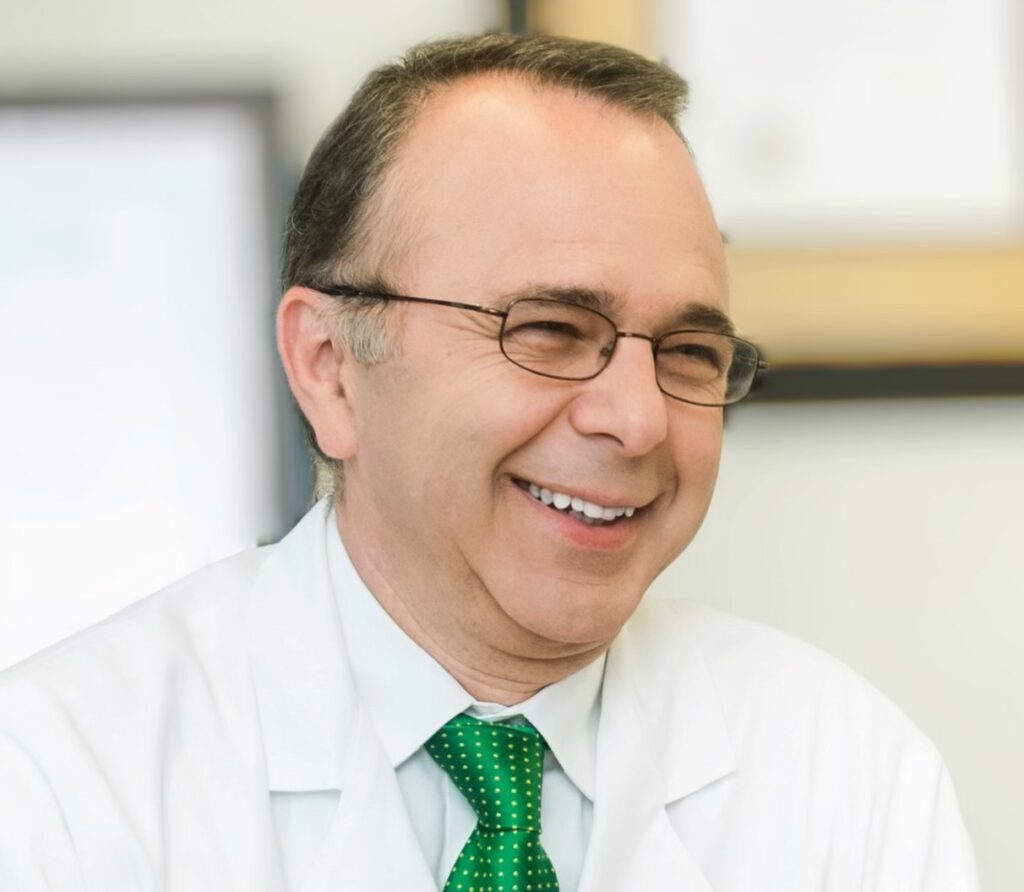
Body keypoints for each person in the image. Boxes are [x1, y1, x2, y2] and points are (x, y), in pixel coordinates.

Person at [0, 33, 978, 892]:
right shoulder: (57, 782)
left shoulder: (845, 777)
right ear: (330, 368)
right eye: (549, 328)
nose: (637, 418)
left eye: (687, 352)